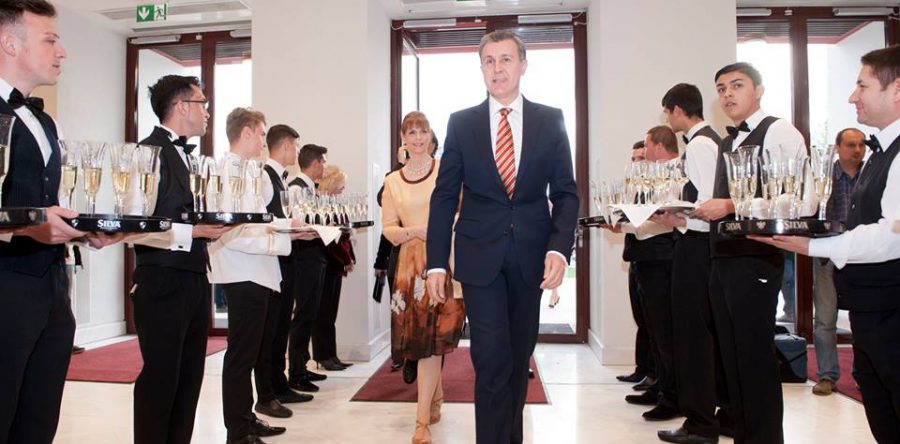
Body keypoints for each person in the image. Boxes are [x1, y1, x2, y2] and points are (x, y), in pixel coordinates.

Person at [425, 31, 579, 444]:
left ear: (523, 65)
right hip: (480, 258)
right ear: (481, 68)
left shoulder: (550, 119)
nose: (497, 68)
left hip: (531, 257)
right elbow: (444, 196)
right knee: (491, 359)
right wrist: (436, 262)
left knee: (516, 358)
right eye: (489, 61)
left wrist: (559, 249)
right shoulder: (462, 123)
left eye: (506, 59)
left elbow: (566, 193)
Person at [753, 45, 900, 443]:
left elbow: (892, 236)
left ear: (896, 90)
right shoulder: (880, 153)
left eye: (862, 85)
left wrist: (811, 246)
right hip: (873, 311)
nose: (852, 96)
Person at [0, 2, 119, 443]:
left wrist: (85, 230)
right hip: (6, 288)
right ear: (9, 43)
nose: (62, 51)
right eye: (50, 39)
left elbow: (48, 202)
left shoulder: (45, 121)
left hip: (51, 290)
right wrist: (25, 227)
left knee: (38, 422)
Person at [692, 62, 812, 444]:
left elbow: (800, 199)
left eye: (737, 85)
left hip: (756, 259)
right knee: (733, 362)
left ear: (758, 90)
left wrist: (730, 206)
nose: (727, 94)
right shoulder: (728, 143)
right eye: (721, 88)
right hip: (723, 259)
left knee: (755, 361)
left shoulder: (779, 130)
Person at [129, 74, 232, 444]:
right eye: (203, 103)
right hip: (161, 281)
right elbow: (134, 227)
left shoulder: (191, 158)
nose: (207, 112)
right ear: (181, 106)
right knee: (161, 379)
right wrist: (195, 232)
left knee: (189, 380)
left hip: (194, 279)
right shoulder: (145, 153)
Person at [209, 108, 310, 444]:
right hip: (241, 272)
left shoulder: (254, 172)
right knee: (241, 356)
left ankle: (247, 418)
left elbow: (261, 220)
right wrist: (283, 239)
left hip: (259, 272)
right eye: (262, 134)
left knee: (253, 352)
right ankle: (237, 432)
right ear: (248, 132)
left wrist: (290, 227)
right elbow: (233, 232)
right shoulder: (225, 172)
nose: (264, 142)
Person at [652, 83, 730, 444]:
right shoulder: (712, 140)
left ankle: (700, 423)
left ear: (678, 110)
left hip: (697, 247)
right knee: (706, 335)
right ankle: (720, 415)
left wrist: (678, 218)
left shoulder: (699, 144)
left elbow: (707, 204)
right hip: (703, 246)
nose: (667, 117)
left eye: (667, 111)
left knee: (692, 336)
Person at [384, 111, 466, 444]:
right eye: (411, 132)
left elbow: (462, 210)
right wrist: (415, 231)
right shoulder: (393, 181)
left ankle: (421, 424)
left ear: (431, 136)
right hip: (408, 268)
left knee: (433, 340)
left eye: (423, 131)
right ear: (403, 138)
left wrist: (441, 230)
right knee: (420, 342)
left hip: (442, 262)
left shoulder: (446, 170)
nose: (417, 138)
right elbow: (389, 228)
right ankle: (435, 397)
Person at [618, 126, 680, 422]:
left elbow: (662, 220)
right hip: (646, 257)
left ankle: (671, 395)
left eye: (645, 148)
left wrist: (623, 224)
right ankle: (658, 385)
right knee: (653, 329)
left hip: (661, 258)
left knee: (664, 332)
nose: (641, 156)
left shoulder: (674, 174)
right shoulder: (651, 176)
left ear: (656, 146)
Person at [261, 123, 314, 405]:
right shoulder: (265, 177)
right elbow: (264, 222)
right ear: (285, 146)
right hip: (273, 261)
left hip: (285, 258)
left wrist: (298, 231)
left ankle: (279, 384)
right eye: (295, 146)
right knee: (273, 328)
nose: (297, 151)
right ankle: (271, 389)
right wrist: (292, 229)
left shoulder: (280, 178)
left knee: (281, 325)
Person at [810, 127, 865, 396]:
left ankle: (864, 373)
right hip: (829, 252)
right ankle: (827, 375)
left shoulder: (871, 174)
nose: (857, 150)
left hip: (862, 253)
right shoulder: (822, 177)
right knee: (825, 317)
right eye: (851, 145)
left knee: (863, 316)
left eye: (861, 145)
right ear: (838, 147)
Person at [286, 143, 329, 392]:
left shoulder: (311, 189)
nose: (324, 167)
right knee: (302, 314)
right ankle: (296, 372)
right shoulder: (295, 189)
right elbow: (298, 225)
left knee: (310, 313)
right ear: (314, 163)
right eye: (323, 162)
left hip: (315, 257)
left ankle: (302, 364)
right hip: (303, 260)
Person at [616, 140, 657, 387]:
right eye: (633, 159)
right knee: (641, 317)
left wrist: (622, 226)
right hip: (635, 256)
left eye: (640, 158)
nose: (636, 163)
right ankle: (642, 369)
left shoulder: (657, 186)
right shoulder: (635, 187)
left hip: (653, 257)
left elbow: (651, 224)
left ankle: (654, 376)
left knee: (652, 321)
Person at [312, 165, 356, 371]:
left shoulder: (334, 204)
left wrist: (349, 258)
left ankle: (331, 354)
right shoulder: (321, 205)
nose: (342, 190)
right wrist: (346, 259)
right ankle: (323, 355)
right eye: (341, 186)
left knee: (330, 313)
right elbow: (331, 240)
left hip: (336, 264)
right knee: (323, 313)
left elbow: (344, 236)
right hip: (328, 262)